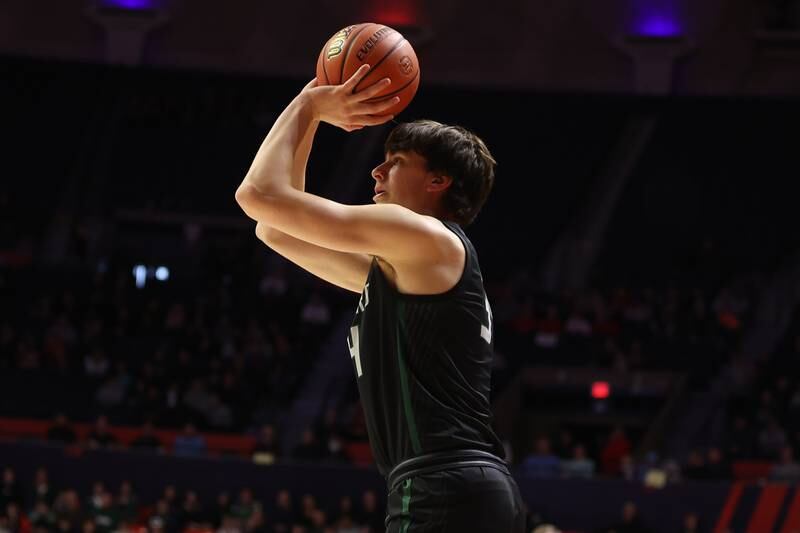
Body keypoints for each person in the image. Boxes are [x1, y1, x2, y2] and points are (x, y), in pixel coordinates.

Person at [235, 64, 525, 532]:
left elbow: (257, 195)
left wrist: (309, 104)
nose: (377, 169)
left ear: (438, 182)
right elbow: (273, 228)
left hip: (444, 484)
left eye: (397, 161)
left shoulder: (427, 237)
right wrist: (312, 112)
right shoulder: (409, 267)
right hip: (453, 486)